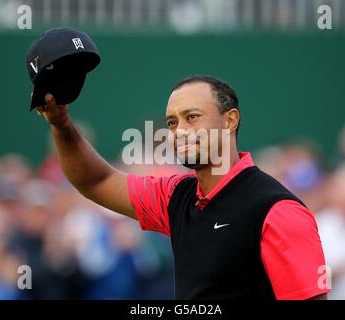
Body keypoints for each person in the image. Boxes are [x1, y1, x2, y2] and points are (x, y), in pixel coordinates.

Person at [35, 75, 329, 300]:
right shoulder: (177, 195)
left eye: (192, 118)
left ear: (230, 120)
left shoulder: (278, 211)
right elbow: (95, 181)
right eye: (172, 123)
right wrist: (61, 123)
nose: (180, 132)